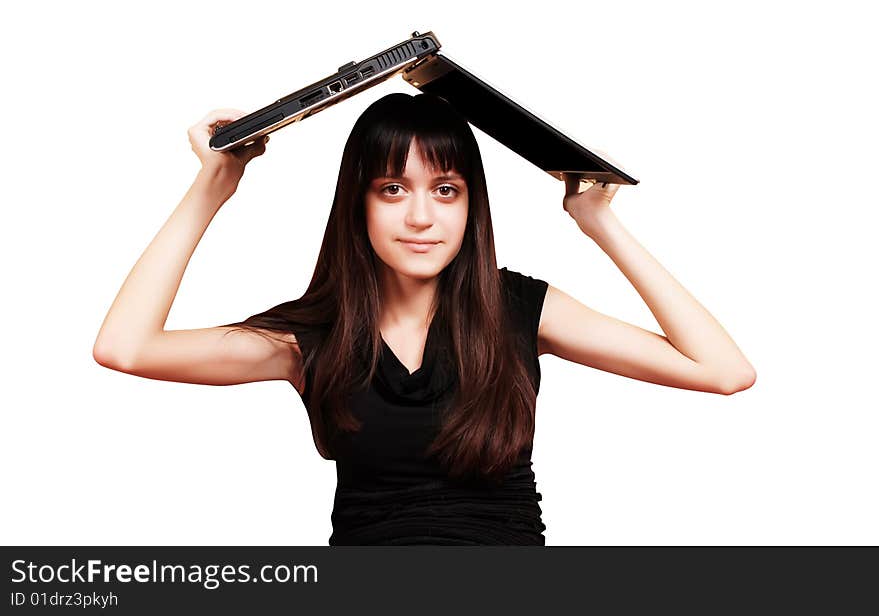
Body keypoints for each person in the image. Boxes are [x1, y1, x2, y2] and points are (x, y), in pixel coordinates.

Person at [93, 93, 756, 545]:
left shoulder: (520, 308)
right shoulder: (309, 339)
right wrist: (215, 185)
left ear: (471, 206)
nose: (420, 217)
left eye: (445, 190)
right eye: (392, 189)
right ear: (359, 204)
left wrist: (599, 223)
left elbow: (723, 371)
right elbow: (125, 347)